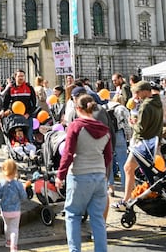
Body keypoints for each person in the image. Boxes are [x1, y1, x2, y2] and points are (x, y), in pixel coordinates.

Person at [57, 94, 112, 252]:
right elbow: (108, 156)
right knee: (98, 218)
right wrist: (105, 177)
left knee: (73, 214)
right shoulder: (105, 130)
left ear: (77, 108)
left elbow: (68, 153)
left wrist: (60, 175)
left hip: (79, 175)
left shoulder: (76, 126)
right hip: (99, 176)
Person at [114, 80, 163, 212]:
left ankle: (126, 200)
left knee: (128, 168)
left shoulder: (146, 106)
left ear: (144, 91)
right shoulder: (158, 103)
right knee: (161, 174)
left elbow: (140, 129)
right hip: (154, 142)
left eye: (137, 92)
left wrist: (132, 124)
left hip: (144, 143)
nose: (136, 95)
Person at [0, 158, 28, 252]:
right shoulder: (18, 184)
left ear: (3, 170)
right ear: (15, 171)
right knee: (14, 229)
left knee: (7, 226)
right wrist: (24, 189)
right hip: (16, 210)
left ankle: (8, 241)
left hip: (5, 211)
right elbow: (24, 197)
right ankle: (14, 245)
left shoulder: (0, 184)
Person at [0, 69, 37, 140]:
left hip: (26, 117)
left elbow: (34, 104)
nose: (21, 78)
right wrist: (3, 111)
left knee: (28, 135)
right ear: (15, 77)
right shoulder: (11, 89)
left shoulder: (29, 88)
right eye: (19, 76)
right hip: (14, 117)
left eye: (22, 76)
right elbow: (6, 103)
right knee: (15, 137)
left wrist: (28, 114)